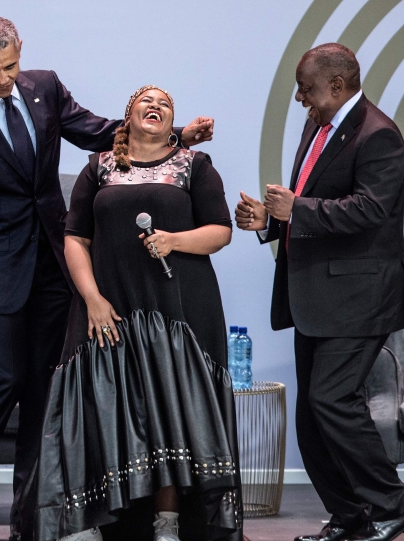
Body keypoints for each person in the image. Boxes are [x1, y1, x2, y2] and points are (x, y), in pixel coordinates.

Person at [0, 16, 216, 541]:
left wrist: (172, 135)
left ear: (21, 52)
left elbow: (101, 133)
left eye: (10, 66)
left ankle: (29, 515)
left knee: (44, 389)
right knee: (3, 378)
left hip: (53, 261)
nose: (3, 79)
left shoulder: (45, 88)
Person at [36, 86, 241, 541]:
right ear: (125, 117)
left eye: (166, 104)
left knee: (169, 406)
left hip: (178, 310)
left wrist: (174, 240)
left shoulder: (195, 166)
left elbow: (221, 231)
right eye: (145, 101)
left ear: (173, 122)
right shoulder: (98, 168)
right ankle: (85, 521)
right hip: (107, 306)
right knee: (95, 404)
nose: (156, 106)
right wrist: (91, 299)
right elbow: (76, 239)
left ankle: (168, 523)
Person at [235, 43, 404, 541]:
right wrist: (269, 223)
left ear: (337, 86)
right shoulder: (317, 126)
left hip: (360, 297)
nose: (299, 98)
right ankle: (349, 516)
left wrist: (296, 210)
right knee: (312, 417)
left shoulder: (379, 136)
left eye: (306, 88)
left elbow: (370, 210)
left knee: (333, 400)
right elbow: (310, 207)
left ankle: (393, 505)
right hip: (315, 298)